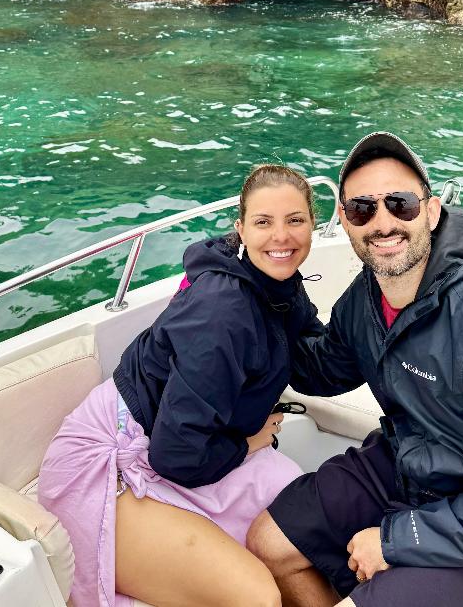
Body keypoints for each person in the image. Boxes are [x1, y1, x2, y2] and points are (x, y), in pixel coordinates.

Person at [247, 131, 463, 607]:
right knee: (268, 544)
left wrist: (392, 541)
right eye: (363, 208)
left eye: (400, 203)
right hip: (412, 464)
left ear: (431, 210)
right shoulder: (368, 299)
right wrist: (267, 284)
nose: (383, 223)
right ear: (345, 220)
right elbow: (321, 369)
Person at [38, 163, 324, 607]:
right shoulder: (222, 313)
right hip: (114, 461)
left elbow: (314, 361)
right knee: (256, 597)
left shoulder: (278, 287)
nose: (281, 237)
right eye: (264, 222)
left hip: (189, 440)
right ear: (241, 230)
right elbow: (174, 456)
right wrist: (246, 445)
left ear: (313, 225)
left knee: (300, 524)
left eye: (295, 221)